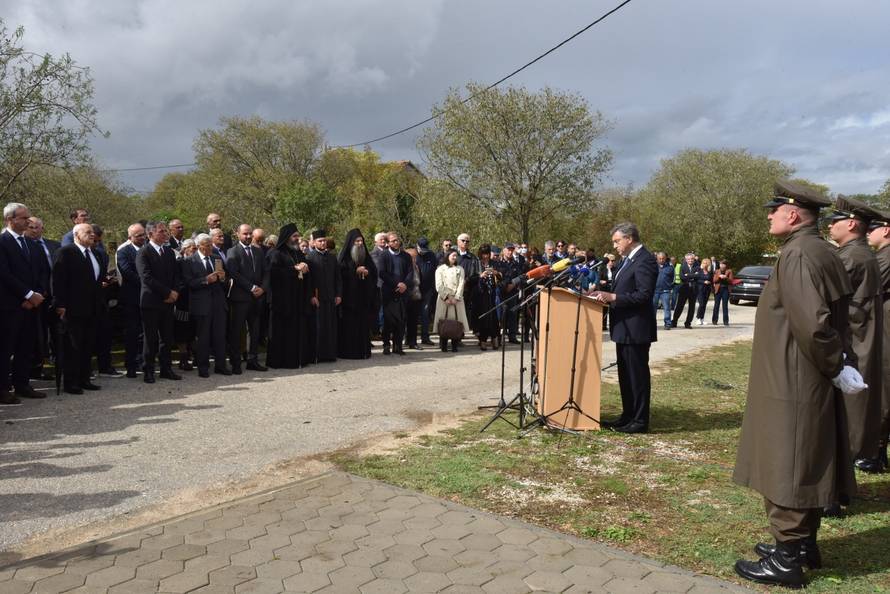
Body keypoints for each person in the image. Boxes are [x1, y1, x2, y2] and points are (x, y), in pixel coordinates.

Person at [733, 180, 863, 588]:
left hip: (793, 379)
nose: (769, 215)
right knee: (801, 457)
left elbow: (813, 325)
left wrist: (834, 364)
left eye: (774, 210)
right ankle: (801, 545)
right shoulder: (818, 249)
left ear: (792, 214)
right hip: (799, 375)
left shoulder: (798, 254)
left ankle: (787, 559)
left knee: (786, 462)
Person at [826, 196, 883, 480]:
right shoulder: (860, 254)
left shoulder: (850, 257)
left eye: (834, 221)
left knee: (842, 420)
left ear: (850, 223)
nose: (830, 226)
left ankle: (833, 493)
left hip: (851, 343)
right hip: (859, 341)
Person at [590, 222, 657, 434]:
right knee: (625, 375)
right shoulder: (625, 261)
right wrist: (600, 292)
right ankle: (627, 415)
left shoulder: (645, 260)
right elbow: (619, 287)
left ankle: (639, 420)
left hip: (636, 329)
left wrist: (614, 297)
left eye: (617, 241)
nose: (615, 246)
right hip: (623, 327)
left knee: (637, 376)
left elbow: (643, 295)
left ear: (629, 239)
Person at [0, 202, 46, 404]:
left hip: (30, 305)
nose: (28, 221)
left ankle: (22, 383)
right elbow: (4, 274)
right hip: (10, 305)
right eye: (23, 218)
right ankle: (2, 388)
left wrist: (37, 294)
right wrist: (27, 294)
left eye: (28, 217)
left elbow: (40, 271)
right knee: (5, 348)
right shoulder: (2, 242)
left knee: (26, 346)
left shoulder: (29, 243)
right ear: (10, 219)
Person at [51, 223, 104, 395]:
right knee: (73, 345)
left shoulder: (95, 253)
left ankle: (84, 378)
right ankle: (71, 382)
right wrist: (59, 304)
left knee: (88, 344)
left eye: (92, 232)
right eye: (87, 232)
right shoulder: (65, 252)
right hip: (73, 308)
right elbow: (58, 280)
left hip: (92, 308)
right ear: (76, 234)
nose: (92, 234)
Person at [862, 207, 890, 472]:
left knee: (882, 385)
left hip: (886, 328)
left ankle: (875, 451)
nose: (868, 233)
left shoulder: (885, 257)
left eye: (873, 229)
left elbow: (867, 287)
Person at [136, 221, 182, 384]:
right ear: (150, 234)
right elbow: (146, 277)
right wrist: (167, 292)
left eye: (165, 231)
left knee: (167, 337)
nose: (165, 234)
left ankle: (166, 368)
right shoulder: (144, 252)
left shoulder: (169, 252)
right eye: (161, 231)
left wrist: (175, 292)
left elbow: (176, 274)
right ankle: (148, 370)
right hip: (151, 302)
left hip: (168, 302)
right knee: (150, 338)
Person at [182, 234, 230, 377]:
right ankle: (203, 367)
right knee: (203, 337)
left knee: (220, 336)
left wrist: (223, 279)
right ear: (199, 246)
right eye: (206, 245)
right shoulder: (190, 261)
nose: (210, 247)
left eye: (210, 244)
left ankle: (221, 365)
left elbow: (224, 280)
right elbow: (189, 283)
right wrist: (205, 280)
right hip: (201, 304)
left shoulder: (216, 258)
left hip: (218, 303)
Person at [266, 224, 313, 368]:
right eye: (295, 236)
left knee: (297, 330)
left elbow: (304, 272)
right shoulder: (276, 253)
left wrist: (305, 268)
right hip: (282, 300)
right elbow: (273, 274)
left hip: (297, 299)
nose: (297, 239)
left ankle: (298, 359)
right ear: (286, 238)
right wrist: (294, 269)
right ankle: (282, 361)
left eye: (298, 236)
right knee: (282, 331)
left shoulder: (298, 253)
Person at [227, 224, 269, 373]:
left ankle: (253, 360)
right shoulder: (232, 252)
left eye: (250, 234)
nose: (248, 236)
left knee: (255, 330)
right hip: (240, 298)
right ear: (237, 234)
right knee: (237, 331)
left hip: (257, 298)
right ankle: (236, 362)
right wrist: (252, 288)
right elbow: (234, 273)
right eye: (245, 234)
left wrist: (262, 288)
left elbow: (266, 272)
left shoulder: (258, 252)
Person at [26, 216, 59, 381]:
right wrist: (40, 291)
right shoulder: (25, 247)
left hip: (55, 297)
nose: (33, 229)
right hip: (34, 297)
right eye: (30, 227)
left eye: (36, 227)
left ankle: (58, 365)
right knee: (36, 334)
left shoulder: (54, 245)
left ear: (42, 229)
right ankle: (35, 367)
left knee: (56, 332)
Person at [338, 228, 378, 359]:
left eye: (361, 241)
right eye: (356, 241)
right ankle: (348, 352)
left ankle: (363, 351)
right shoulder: (344, 259)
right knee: (349, 326)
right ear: (351, 243)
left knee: (363, 325)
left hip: (363, 299)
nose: (360, 243)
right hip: (349, 300)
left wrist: (368, 273)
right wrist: (355, 271)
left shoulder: (367, 258)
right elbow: (340, 276)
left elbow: (374, 273)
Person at [305, 229, 342, 362]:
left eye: (324, 240)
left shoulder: (332, 257)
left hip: (331, 297)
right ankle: (317, 355)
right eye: (320, 241)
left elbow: (338, 278)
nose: (323, 243)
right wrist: (311, 296)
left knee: (330, 326)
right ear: (314, 243)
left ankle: (330, 354)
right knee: (318, 327)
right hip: (317, 297)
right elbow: (308, 281)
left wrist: (338, 294)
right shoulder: (309, 258)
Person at [90, 225, 121, 378]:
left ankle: (105, 366)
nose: (96, 243)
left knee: (105, 333)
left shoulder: (100, 254)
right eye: (94, 240)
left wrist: (107, 279)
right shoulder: (73, 253)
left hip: (102, 300)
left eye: (98, 241)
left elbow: (101, 274)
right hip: (87, 301)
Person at [117, 223, 146, 378]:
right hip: (131, 298)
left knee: (146, 332)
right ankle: (131, 365)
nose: (142, 238)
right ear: (130, 238)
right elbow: (127, 272)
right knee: (132, 333)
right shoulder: (123, 252)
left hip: (148, 298)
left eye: (143, 234)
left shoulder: (148, 250)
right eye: (138, 236)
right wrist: (147, 282)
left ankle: (144, 361)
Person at [378, 232, 414, 355]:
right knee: (388, 320)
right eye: (393, 241)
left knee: (401, 319)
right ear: (388, 243)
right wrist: (396, 284)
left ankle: (398, 345)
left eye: (397, 240)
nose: (396, 242)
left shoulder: (406, 256)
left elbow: (410, 273)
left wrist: (405, 284)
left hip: (403, 292)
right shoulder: (384, 255)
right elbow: (382, 273)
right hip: (389, 292)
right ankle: (386, 344)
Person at [433, 250, 470, 352]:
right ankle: (443, 345)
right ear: (447, 256)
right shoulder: (440, 269)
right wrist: (446, 297)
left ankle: (455, 345)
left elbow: (461, 283)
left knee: (456, 322)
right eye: (453, 255)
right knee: (443, 322)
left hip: (456, 300)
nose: (455, 257)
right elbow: (439, 285)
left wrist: (456, 297)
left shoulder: (460, 269)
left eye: (456, 256)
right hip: (443, 299)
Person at [471, 244, 502, 351]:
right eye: (484, 254)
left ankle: (495, 338)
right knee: (484, 317)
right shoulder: (476, 263)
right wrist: (480, 276)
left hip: (492, 292)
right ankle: (483, 340)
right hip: (480, 294)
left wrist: (495, 272)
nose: (486, 256)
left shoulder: (494, 263)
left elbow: (501, 276)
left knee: (493, 317)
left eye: (487, 254)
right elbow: (470, 278)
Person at [493, 242, 526, 343]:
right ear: (504, 250)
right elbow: (496, 277)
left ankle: (512, 336)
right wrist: (504, 285)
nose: (510, 252)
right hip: (500, 292)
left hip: (512, 292)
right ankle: (497, 337)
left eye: (512, 250)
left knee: (512, 314)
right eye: (508, 249)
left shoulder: (516, 263)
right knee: (499, 315)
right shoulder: (497, 263)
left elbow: (521, 276)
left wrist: (513, 285)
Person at [174, 239, 197, 371]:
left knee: (193, 331)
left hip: (195, 301)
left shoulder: (196, 262)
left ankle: (194, 356)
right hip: (182, 301)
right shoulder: (180, 263)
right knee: (182, 331)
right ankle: (183, 359)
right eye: (192, 249)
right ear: (185, 249)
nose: (194, 251)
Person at [415, 238, 439, 346]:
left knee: (425, 314)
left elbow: (435, 270)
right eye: (421, 249)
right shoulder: (413, 254)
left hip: (428, 289)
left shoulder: (431, 255)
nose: (423, 252)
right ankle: (410, 338)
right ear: (417, 246)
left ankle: (425, 337)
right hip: (414, 289)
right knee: (412, 314)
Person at [671, 253, 700, 328]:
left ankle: (688, 323)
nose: (690, 260)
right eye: (688, 259)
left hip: (693, 290)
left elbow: (698, 276)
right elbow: (682, 277)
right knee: (679, 306)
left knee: (691, 307)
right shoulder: (682, 266)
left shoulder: (697, 266)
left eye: (692, 259)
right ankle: (674, 321)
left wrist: (688, 275)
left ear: (694, 259)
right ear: (686, 260)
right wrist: (693, 275)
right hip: (684, 289)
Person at [404, 247, 425, 350]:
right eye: (412, 257)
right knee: (403, 320)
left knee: (413, 321)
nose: (414, 259)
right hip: (405, 297)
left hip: (416, 297)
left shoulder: (416, 266)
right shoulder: (404, 266)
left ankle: (412, 342)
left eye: (415, 257)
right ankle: (404, 340)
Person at [652, 251, 673, 330]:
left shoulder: (670, 267)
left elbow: (672, 278)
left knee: (667, 307)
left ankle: (667, 323)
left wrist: (669, 286)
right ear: (657, 259)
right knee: (653, 308)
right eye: (659, 258)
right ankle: (653, 323)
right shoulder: (653, 267)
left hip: (665, 291)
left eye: (663, 258)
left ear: (665, 258)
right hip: (655, 291)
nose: (661, 260)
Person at [711, 260, 733, 325]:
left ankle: (726, 321)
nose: (722, 265)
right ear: (719, 265)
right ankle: (714, 320)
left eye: (723, 264)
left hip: (725, 290)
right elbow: (714, 280)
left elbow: (731, 281)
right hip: (718, 290)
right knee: (716, 305)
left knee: (725, 306)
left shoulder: (729, 271)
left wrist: (726, 277)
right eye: (721, 264)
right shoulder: (717, 271)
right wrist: (719, 277)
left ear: (726, 265)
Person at [694, 257, 713, 326]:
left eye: (706, 263)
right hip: (700, 289)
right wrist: (703, 281)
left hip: (707, 290)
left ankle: (702, 319)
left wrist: (709, 282)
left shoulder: (709, 272)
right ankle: (698, 318)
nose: (704, 264)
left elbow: (711, 280)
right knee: (701, 304)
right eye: (703, 263)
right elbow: (696, 280)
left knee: (704, 305)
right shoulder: (699, 270)